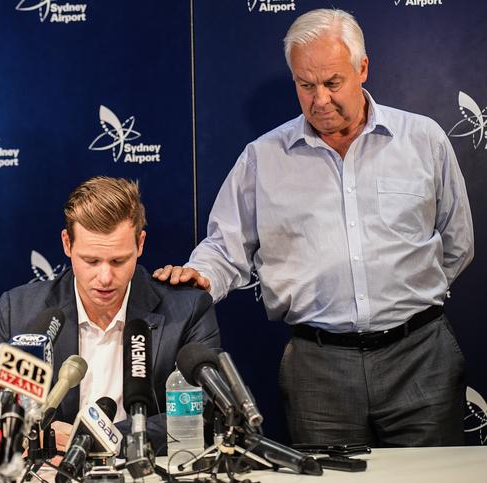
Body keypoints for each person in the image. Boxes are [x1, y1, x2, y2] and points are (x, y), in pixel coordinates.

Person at [154, 8, 473, 447]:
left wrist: (410, 298)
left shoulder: (424, 139)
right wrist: (201, 275)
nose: (320, 99)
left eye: (332, 82)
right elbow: (225, 248)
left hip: (421, 357)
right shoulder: (263, 158)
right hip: (318, 368)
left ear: (362, 68)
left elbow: (456, 244)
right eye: (306, 86)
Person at [0, 176, 220, 453]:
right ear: (67, 244)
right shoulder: (18, 311)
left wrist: (94, 439)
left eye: (119, 260)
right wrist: (32, 437)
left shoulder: (187, 310)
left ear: (140, 244)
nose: (105, 277)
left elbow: (209, 414)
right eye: (91, 260)